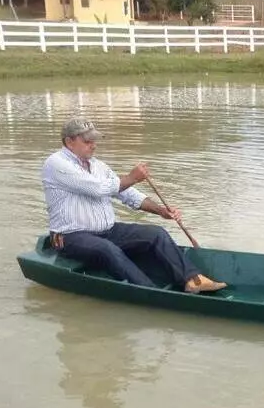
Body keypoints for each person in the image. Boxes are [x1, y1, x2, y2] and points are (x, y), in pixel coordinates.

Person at [41, 117, 226, 294]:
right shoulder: (56, 163)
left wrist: (161, 211)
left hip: (107, 231)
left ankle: (192, 280)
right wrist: (132, 178)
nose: (93, 145)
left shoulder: (98, 165)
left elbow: (127, 193)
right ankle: (150, 291)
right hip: (69, 237)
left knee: (156, 234)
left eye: (94, 140)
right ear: (69, 141)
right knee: (107, 249)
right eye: (87, 141)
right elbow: (97, 189)